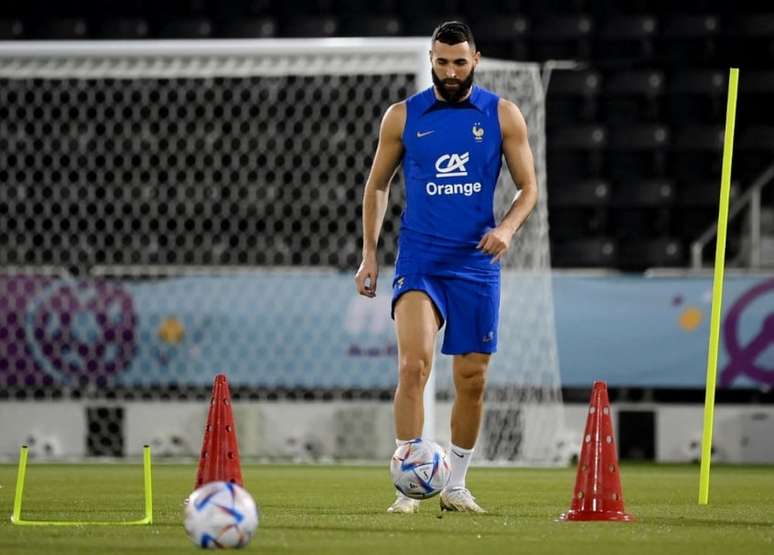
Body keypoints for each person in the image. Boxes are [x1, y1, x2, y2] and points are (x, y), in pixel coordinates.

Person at [354, 21, 539, 514]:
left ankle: (455, 485)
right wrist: (370, 254)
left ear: (475, 59)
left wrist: (507, 229)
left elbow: (529, 189)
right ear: (430, 60)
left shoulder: (503, 114)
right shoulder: (403, 116)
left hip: (476, 262)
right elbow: (376, 185)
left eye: (460, 62)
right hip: (421, 259)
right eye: (442, 62)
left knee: (472, 379)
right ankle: (408, 487)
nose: (451, 71)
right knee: (413, 367)